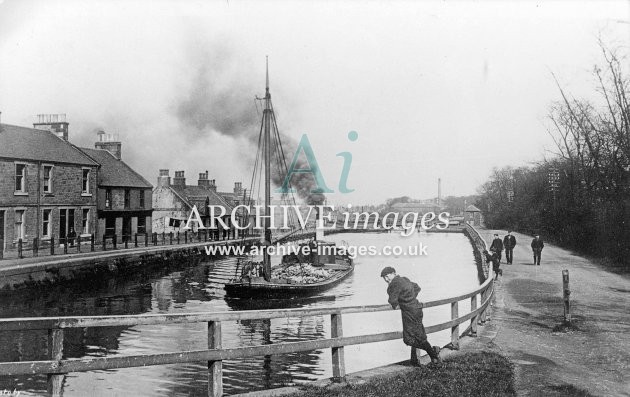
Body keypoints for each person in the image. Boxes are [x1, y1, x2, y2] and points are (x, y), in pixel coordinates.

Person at [380, 266, 441, 365]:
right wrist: (410, 298)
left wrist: (402, 301)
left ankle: (433, 352)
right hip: (417, 309)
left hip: (409, 313)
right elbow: (417, 287)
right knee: (420, 337)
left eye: (387, 276)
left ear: (393, 273)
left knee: (408, 340)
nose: (386, 280)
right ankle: (434, 356)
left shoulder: (394, 283)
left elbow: (392, 301)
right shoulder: (404, 279)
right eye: (384, 278)